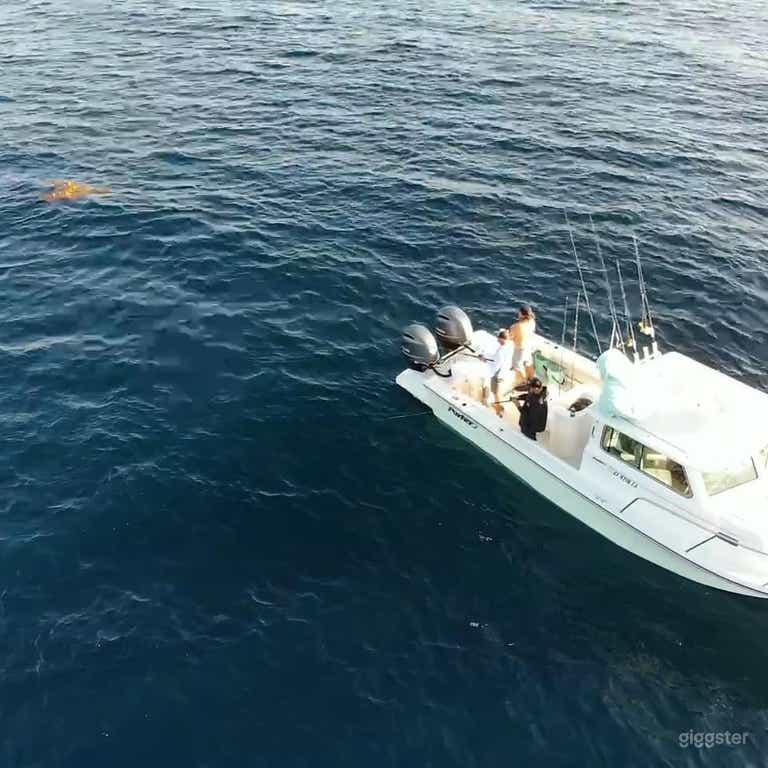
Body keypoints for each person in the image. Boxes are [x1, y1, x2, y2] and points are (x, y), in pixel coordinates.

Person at [485, 329, 514, 416]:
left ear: (502, 339)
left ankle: (499, 410)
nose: (497, 340)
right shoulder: (509, 346)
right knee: (497, 391)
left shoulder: (501, 351)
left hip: (498, 375)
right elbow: (496, 358)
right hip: (504, 372)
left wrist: (485, 360)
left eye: (499, 338)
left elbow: (496, 364)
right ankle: (499, 407)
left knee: (495, 392)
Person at [509, 305, 536, 380]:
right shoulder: (532, 321)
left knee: (517, 366)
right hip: (529, 346)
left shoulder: (516, 326)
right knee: (528, 363)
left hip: (520, 349)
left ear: (521, 314)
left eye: (519, 312)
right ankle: (532, 379)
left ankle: (525, 382)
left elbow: (510, 337)